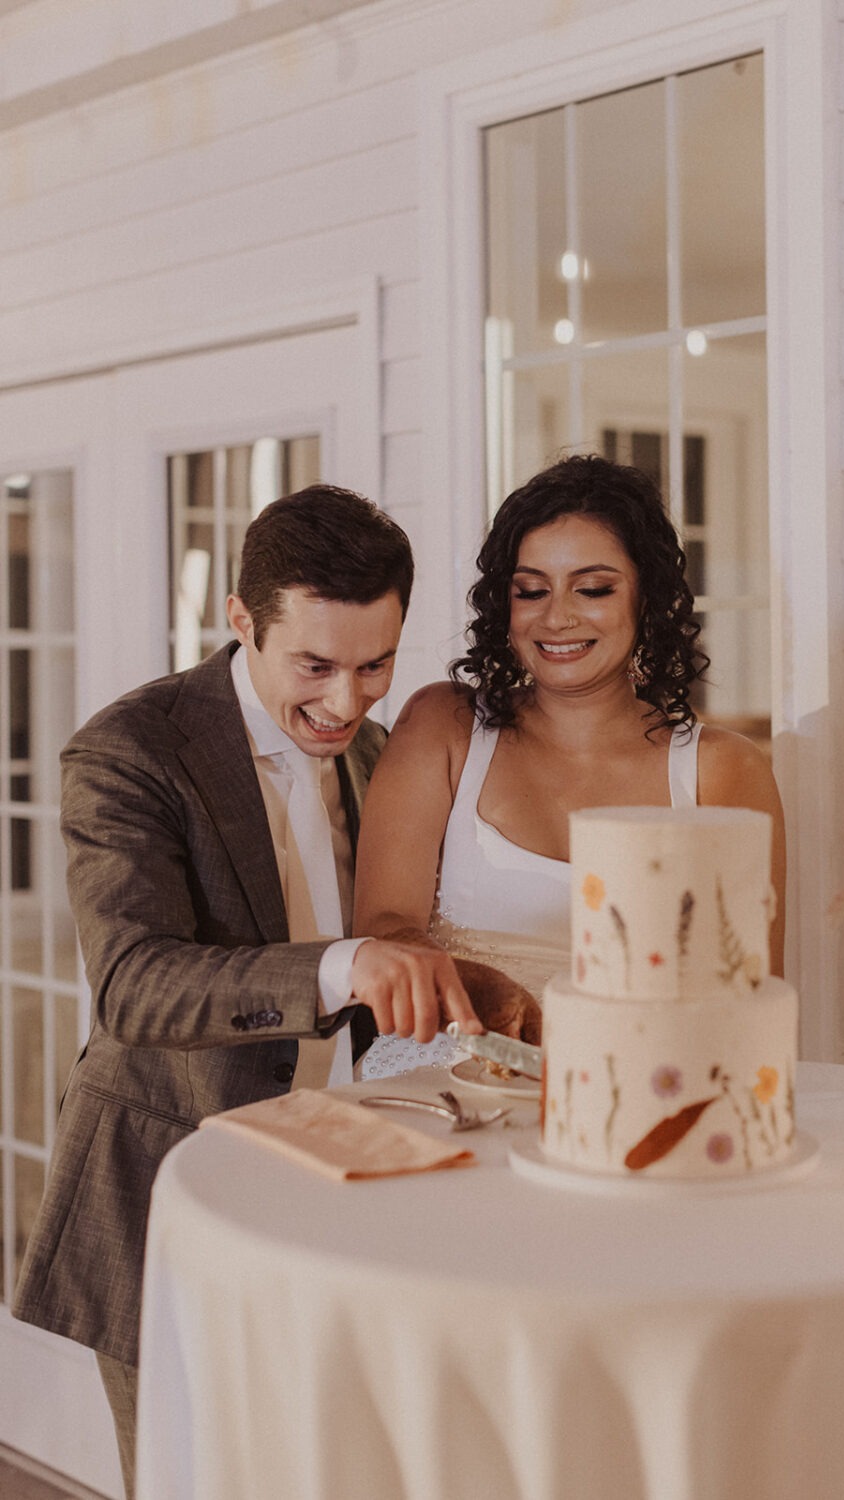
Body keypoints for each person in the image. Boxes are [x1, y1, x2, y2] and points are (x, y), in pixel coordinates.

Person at [11, 483, 525, 1499]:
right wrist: (344, 966)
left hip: (345, 1185)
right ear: (241, 621)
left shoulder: (378, 756)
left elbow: (385, 965)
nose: (347, 700)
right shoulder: (130, 751)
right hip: (170, 1185)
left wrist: (469, 992)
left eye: (376, 663)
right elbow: (134, 984)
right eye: (315, 665)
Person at [354, 454, 786, 1074]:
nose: (557, 616)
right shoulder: (443, 728)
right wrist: (476, 991)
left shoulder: (721, 770)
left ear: (648, 598)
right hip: (444, 1070)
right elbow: (383, 924)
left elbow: (752, 992)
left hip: (639, 1084)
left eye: (593, 589)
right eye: (531, 590)